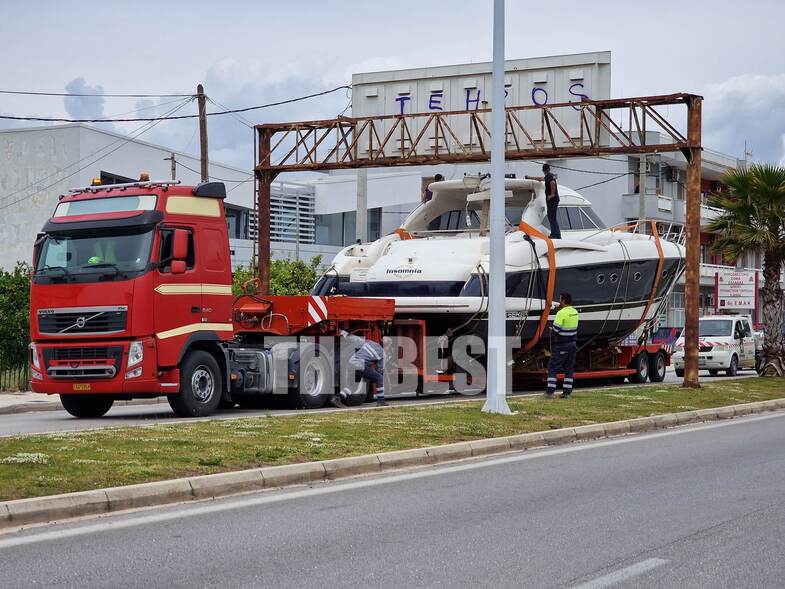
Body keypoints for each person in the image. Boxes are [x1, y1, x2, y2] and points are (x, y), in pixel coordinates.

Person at [332, 330, 387, 407]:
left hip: (351, 363)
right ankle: (381, 401)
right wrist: (374, 378)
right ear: (387, 346)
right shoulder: (383, 353)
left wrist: (343, 332)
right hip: (360, 365)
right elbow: (380, 370)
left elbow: (354, 339)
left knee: (352, 386)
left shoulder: (369, 342)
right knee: (379, 378)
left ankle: (337, 398)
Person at [545, 292, 579, 399]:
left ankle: (550, 392)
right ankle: (567, 393)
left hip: (562, 345)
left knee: (553, 367)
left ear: (563, 301)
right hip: (573, 344)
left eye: (560, 299)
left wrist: (551, 329)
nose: (559, 301)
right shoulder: (575, 312)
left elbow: (556, 329)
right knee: (569, 369)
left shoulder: (561, 313)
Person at [525, 164, 561, 239]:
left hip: (552, 200)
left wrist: (552, 194)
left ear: (543, 170)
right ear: (549, 169)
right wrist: (530, 177)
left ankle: (556, 234)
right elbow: (541, 179)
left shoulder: (549, 176)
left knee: (551, 217)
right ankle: (555, 233)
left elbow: (552, 183)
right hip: (553, 200)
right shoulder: (550, 176)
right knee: (552, 216)